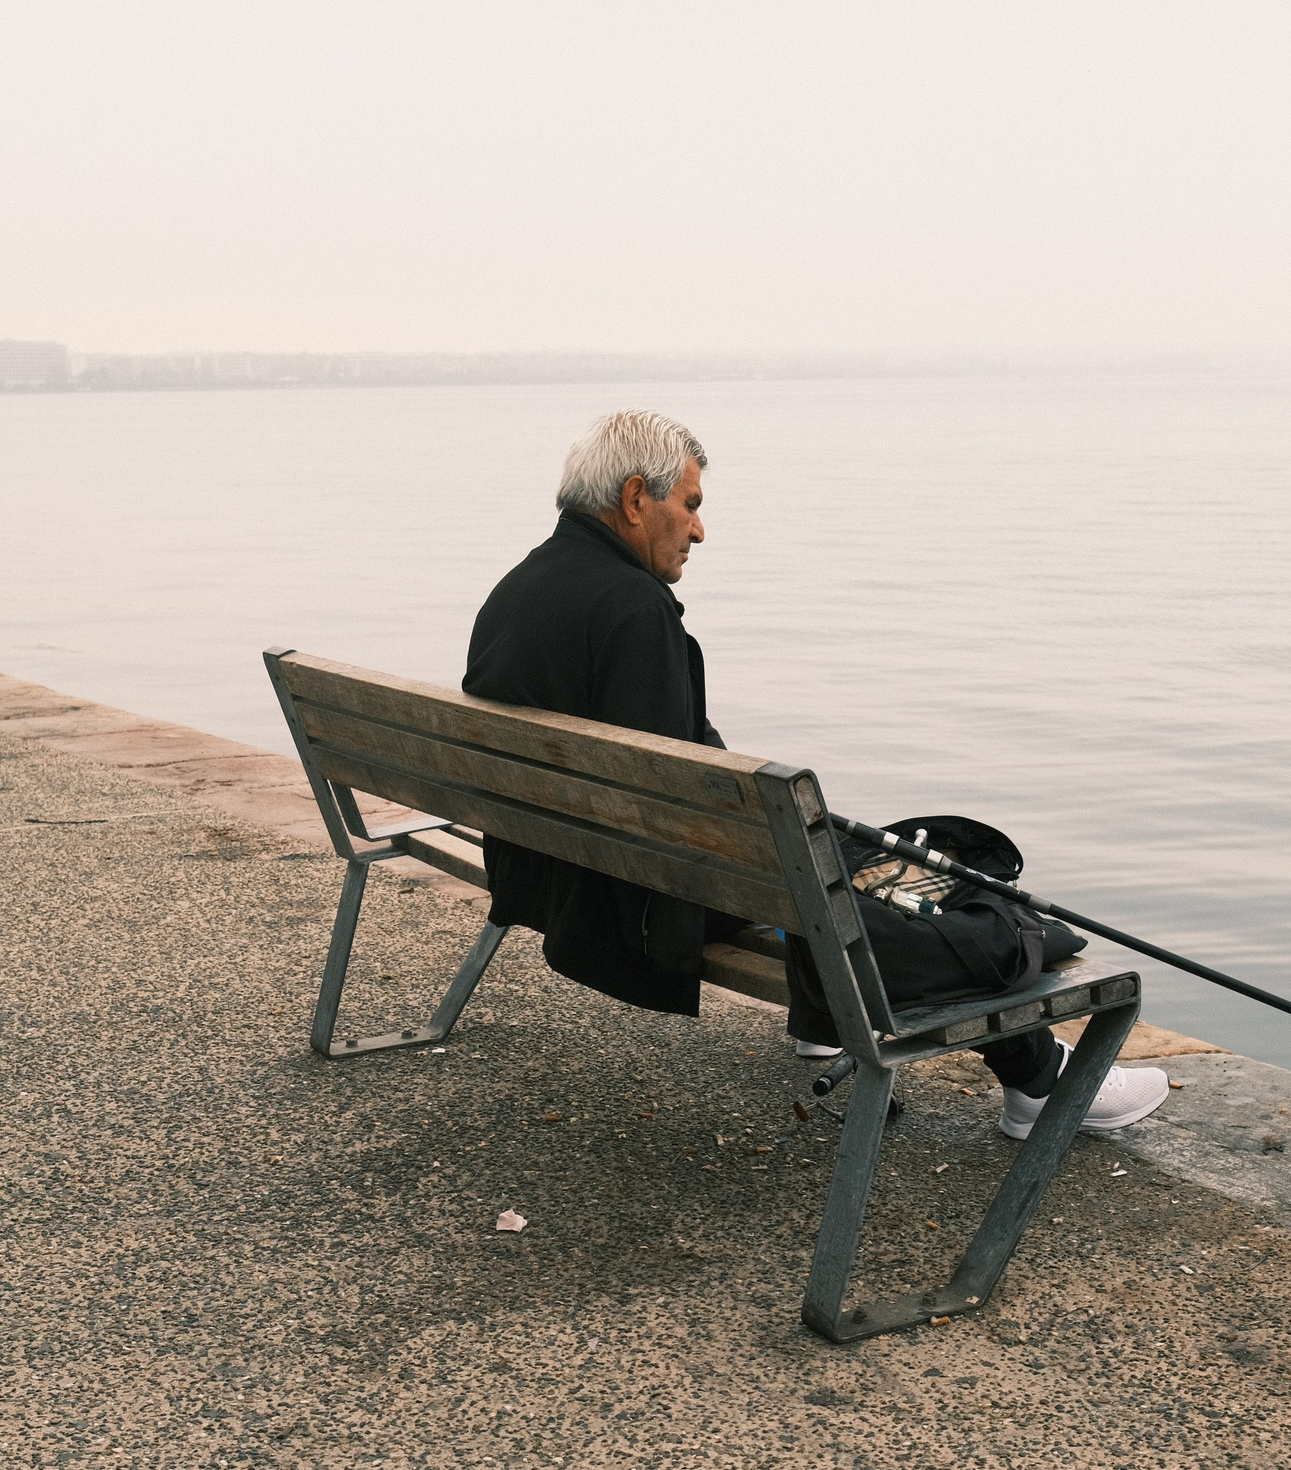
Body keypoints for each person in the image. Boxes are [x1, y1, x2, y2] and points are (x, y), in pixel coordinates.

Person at [463, 410, 1167, 1138]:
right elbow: (676, 813)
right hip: (628, 908)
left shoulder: (519, 588)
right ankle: (1037, 1073)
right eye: (692, 506)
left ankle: (868, 1001)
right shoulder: (633, 611)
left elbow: (665, 773)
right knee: (856, 891)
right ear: (637, 498)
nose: (699, 531)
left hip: (545, 874)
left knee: (835, 859)